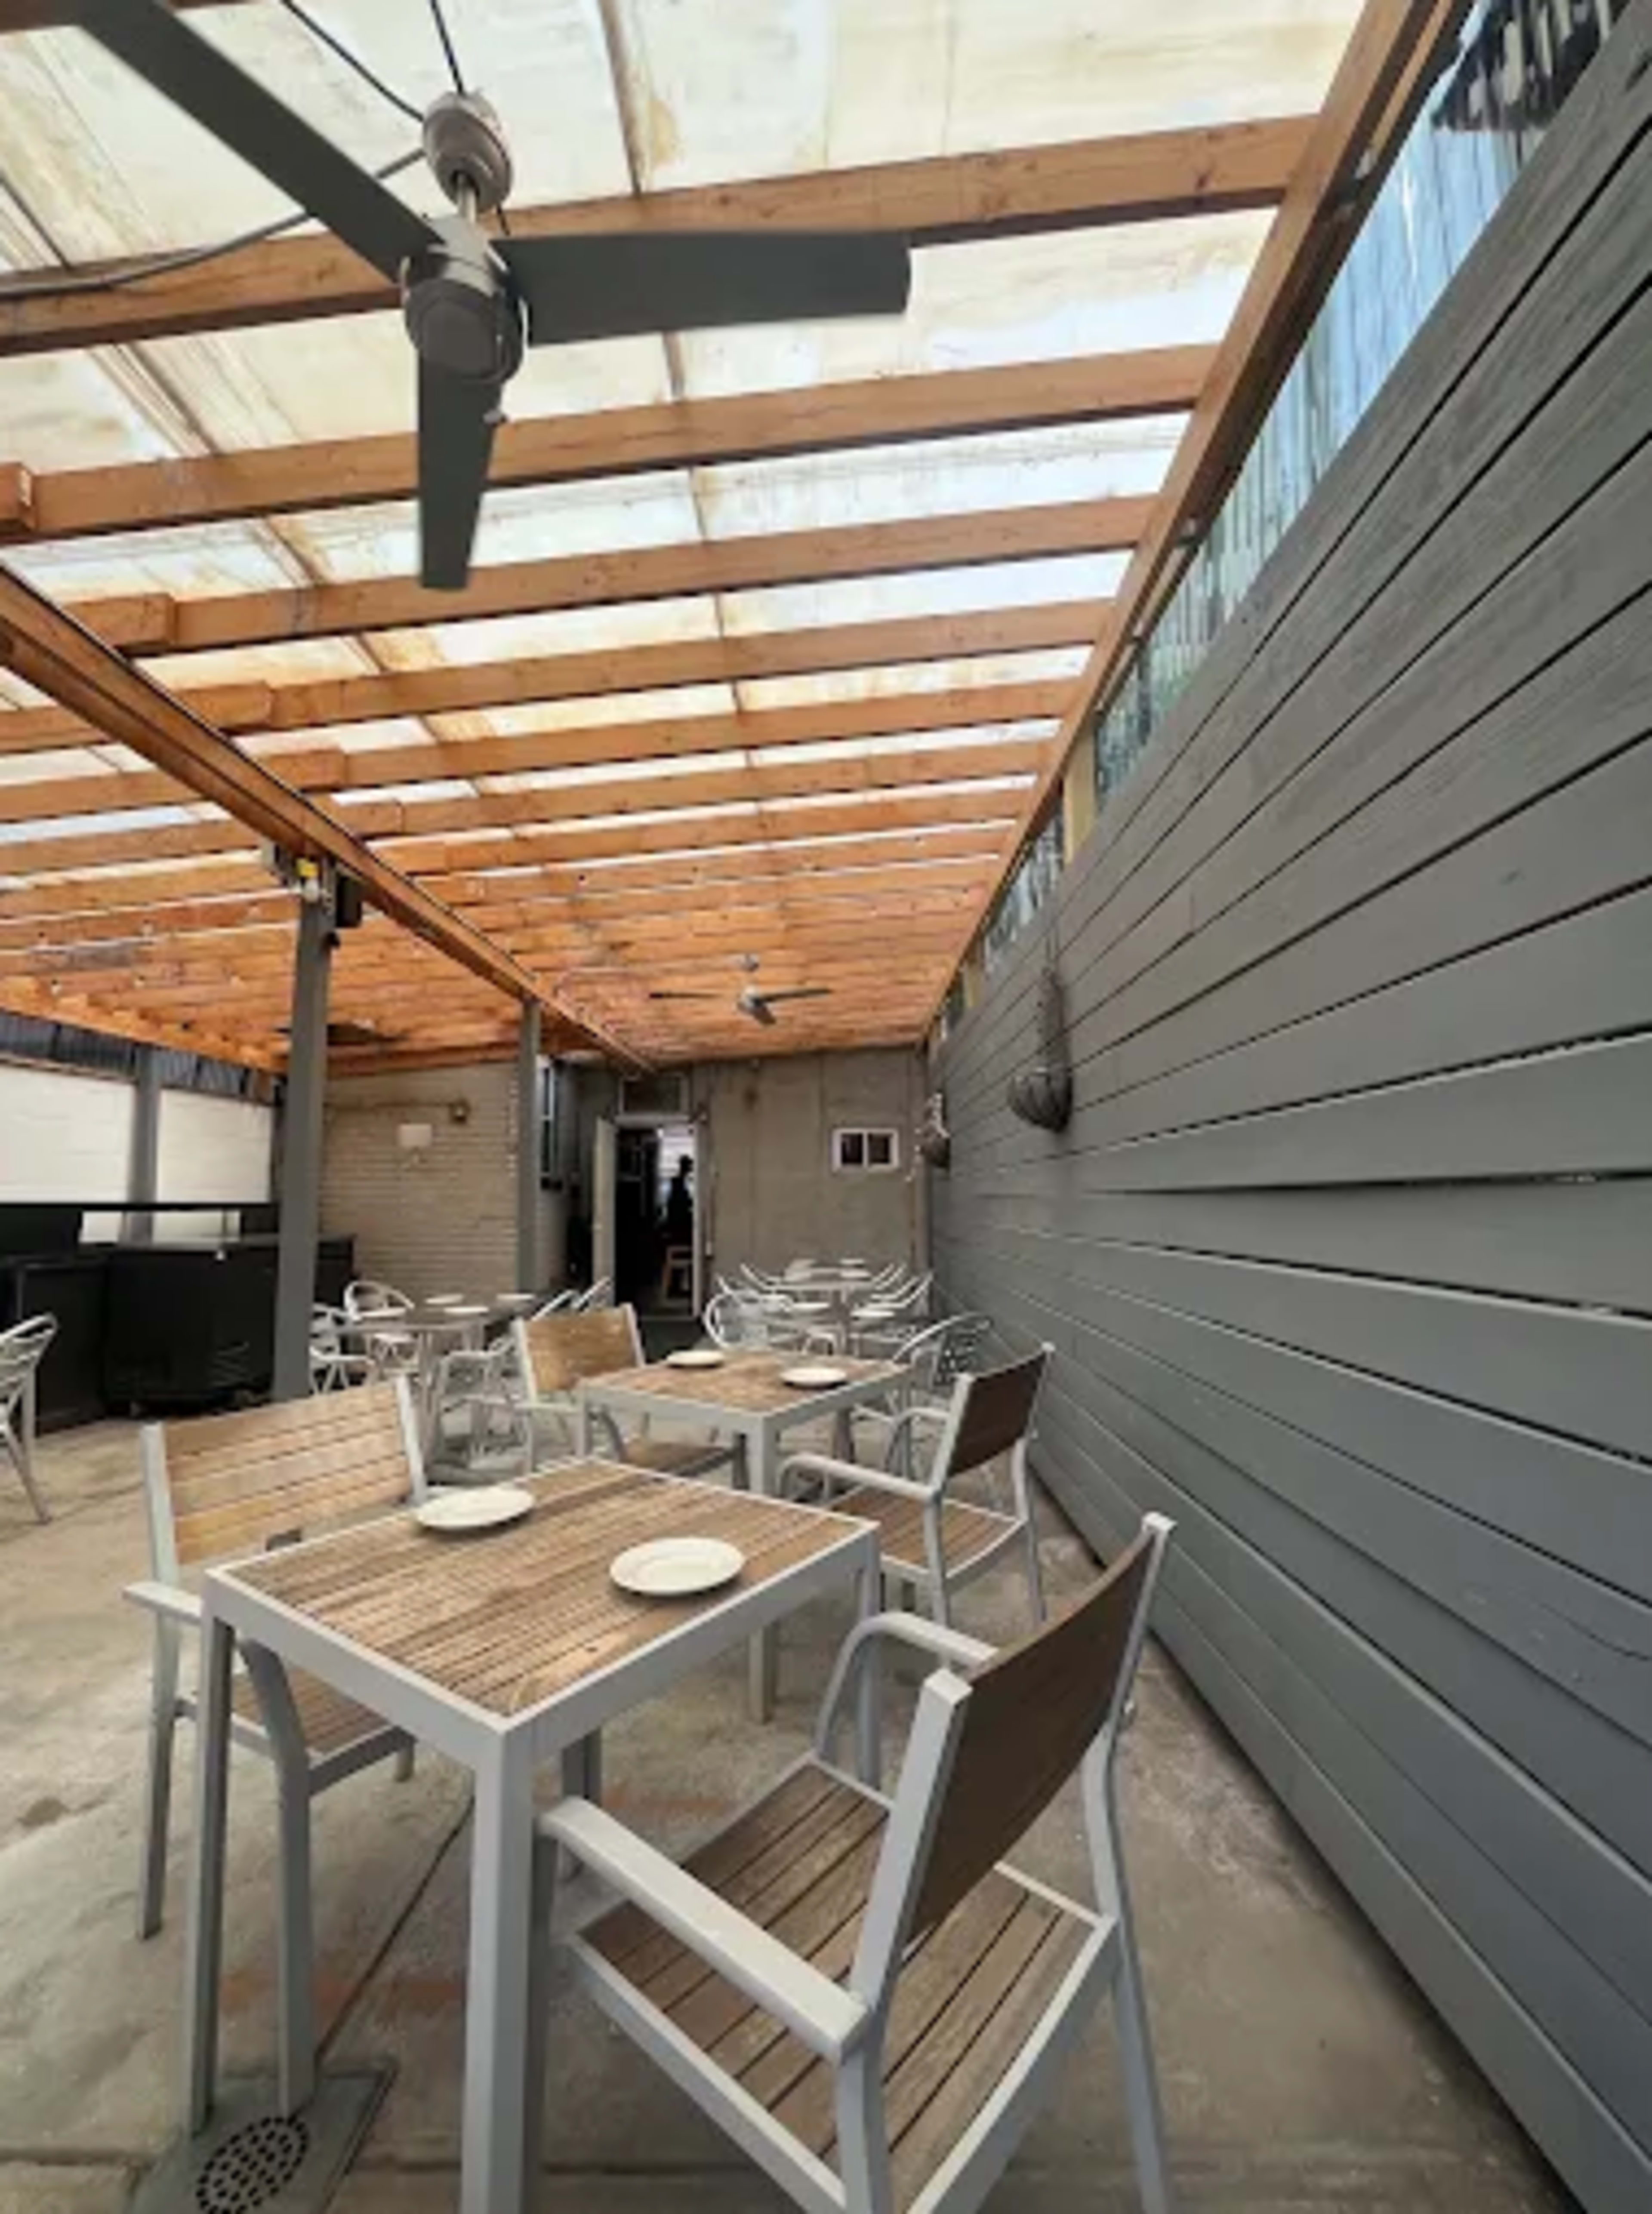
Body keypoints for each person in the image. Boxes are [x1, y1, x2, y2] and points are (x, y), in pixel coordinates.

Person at [663, 1154, 693, 1246]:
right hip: (678, 1220)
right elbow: (680, 1203)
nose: (691, 1169)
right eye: (690, 1166)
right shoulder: (678, 1182)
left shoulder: (682, 1181)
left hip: (677, 1218)